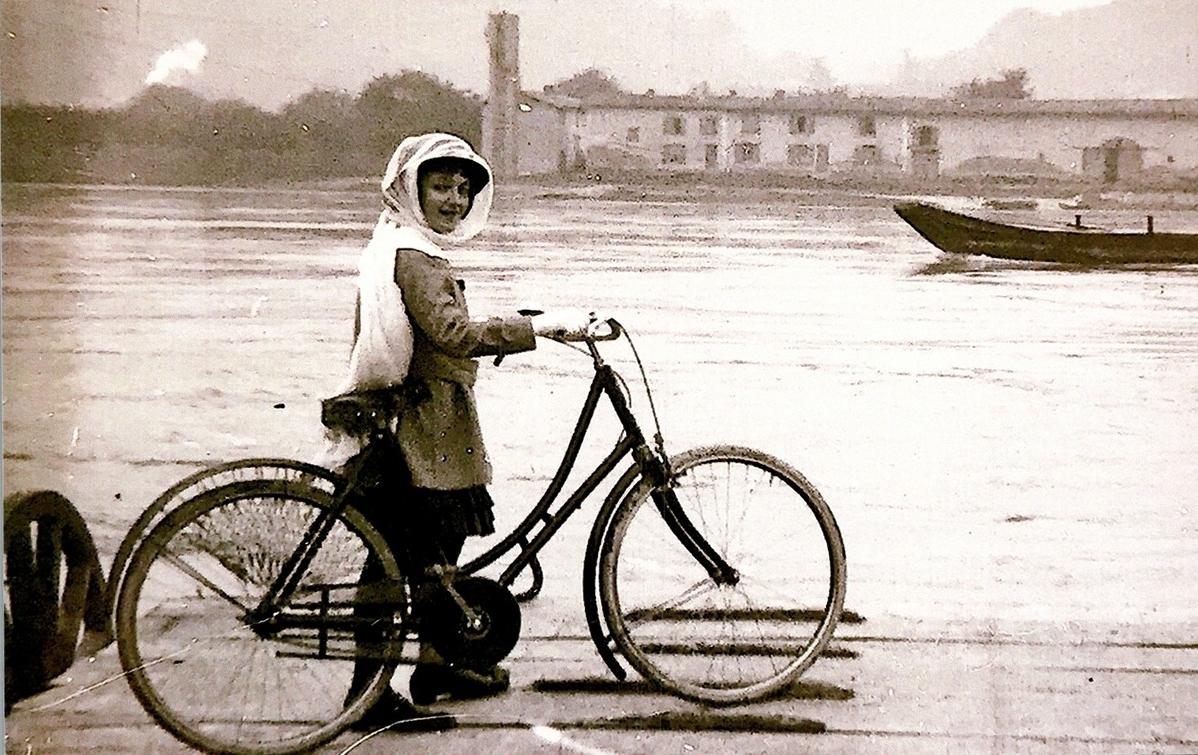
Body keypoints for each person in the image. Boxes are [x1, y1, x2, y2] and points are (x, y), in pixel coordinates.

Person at [335, 132, 591, 733]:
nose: (453, 199)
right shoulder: (414, 257)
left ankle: (440, 663)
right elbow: (452, 334)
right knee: (398, 561)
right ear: (411, 189)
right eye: (440, 186)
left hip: (436, 419)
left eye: (461, 189)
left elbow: (441, 328)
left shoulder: (409, 246)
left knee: (438, 549)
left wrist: (524, 322)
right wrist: (542, 329)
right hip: (416, 426)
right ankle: (365, 694)